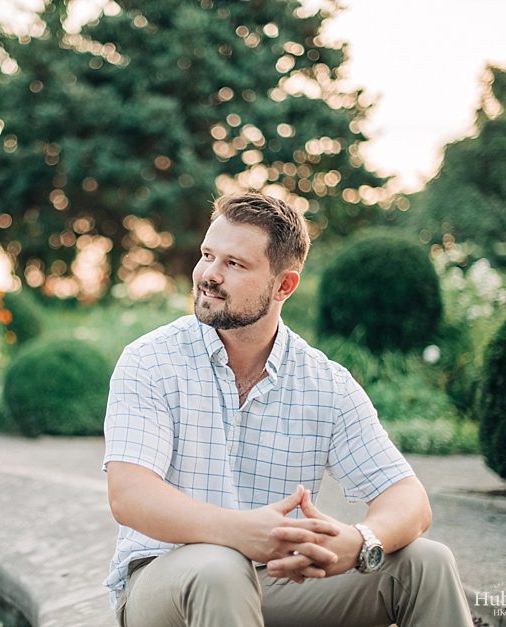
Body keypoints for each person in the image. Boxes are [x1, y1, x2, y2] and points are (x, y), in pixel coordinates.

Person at [103, 193, 471, 626]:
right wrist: (240, 533)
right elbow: (130, 495)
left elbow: (409, 499)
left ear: (284, 285)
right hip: (165, 582)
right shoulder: (150, 360)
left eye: (234, 264)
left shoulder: (326, 383)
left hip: (279, 582)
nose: (209, 275)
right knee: (220, 568)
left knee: (425, 563)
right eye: (207, 255)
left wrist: (360, 540)